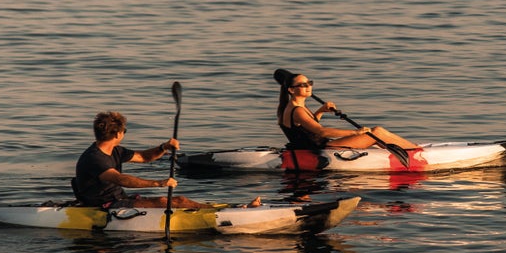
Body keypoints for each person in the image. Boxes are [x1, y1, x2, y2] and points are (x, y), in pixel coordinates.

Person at [75, 111, 260, 209]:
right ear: (117, 133)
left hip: (119, 199)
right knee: (173, 201)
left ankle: (235, 207)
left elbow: (145, 157)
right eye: (125, 131)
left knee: (179, 200)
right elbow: (121, 179)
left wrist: (163, 147)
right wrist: (159, 183)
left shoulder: (116, 150)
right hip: (103, 205)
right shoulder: (94, 159)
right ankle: (239, 209)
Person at [276, 72, 419, 151]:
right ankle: (415, 151)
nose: (308, 87)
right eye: (302, 85)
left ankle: (405, 148)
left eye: (309, 83)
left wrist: (320, 111)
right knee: (376, 132)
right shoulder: (298, 110)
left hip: (320, 145)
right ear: (291, 90)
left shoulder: (294, 106)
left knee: (377, 136)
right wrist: (355, 133)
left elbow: (306, 128)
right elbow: (322, 132)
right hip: (323, 148)